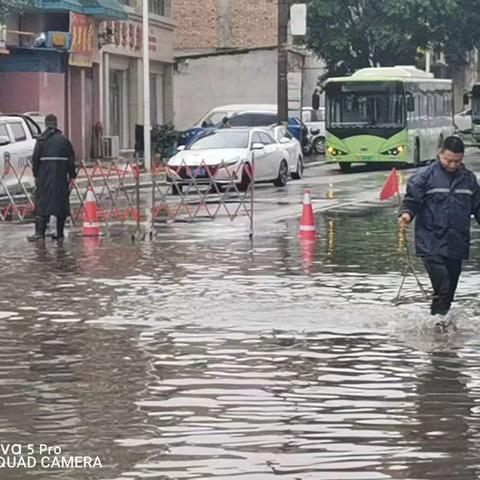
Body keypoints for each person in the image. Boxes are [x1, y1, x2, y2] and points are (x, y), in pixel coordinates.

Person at [399, 136, 480, 317]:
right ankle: (438, 327)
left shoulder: (469, 180)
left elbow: (478, 207)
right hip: (430, 242)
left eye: (457, 161)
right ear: (440, 153)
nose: (452, 165)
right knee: (442, 286)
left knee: (449, 292)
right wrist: (406, 215)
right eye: (448, 160)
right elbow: (411, 202)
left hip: (456, 244)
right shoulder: (424, 177)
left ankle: (438, 327)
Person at [28, 114, 76, 242]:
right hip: (61, 179)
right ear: (56, 124)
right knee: (61, 204)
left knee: (42, 205)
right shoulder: (64, 141)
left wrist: (36, 175)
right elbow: (71, 160)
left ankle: (40, 233)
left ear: (46, 124)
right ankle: (59, 233)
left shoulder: (41, 141)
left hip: (44, 179)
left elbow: (35, 159)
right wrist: (72, 176)